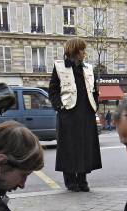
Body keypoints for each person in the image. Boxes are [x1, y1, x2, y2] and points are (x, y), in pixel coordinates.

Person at [49, 38, 102, 192]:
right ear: (74, 51)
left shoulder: (88, 68)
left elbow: (94, 90)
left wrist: (95, 105)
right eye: (82, 50)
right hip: (69, 115)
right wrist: (60, 107)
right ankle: (71, 181)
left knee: (85, 147)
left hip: (86, 114)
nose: (84, 53)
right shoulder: (59, 67)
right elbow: (52, 91)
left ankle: (83, 180)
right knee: (69, 148)